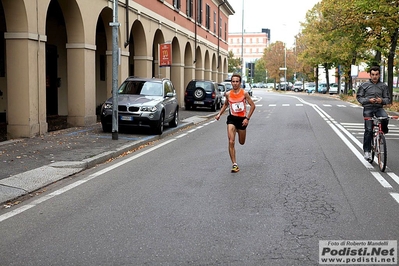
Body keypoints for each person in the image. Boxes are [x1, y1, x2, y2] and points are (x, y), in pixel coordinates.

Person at [215, 74, 256, 173]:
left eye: (237, 81)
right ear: (231, 83)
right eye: (233, 81)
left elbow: (253, 106)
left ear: (240, 83)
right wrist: (219, 114)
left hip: (242, 120)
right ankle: (234, 164)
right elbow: (225, 105)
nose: (235, 83)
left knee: (241, 142)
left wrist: (247, 118)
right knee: (231, 141)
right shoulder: (228, 94)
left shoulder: (244, 93)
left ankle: (239, 130)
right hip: (232, 119)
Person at [356, 65, 390, 162]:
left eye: (376, 74)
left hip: (379, 108)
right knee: (369, 129)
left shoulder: (384, 86)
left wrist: (382, 100)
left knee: (385, 117)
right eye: (373, 74)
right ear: (370, 75)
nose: (374, 76)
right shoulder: (364, 85)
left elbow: (388, 99)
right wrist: (368, 100)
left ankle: (383, 131)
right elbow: (359, 97)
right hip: (368, 109)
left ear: (379, 75)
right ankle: (367, 151)